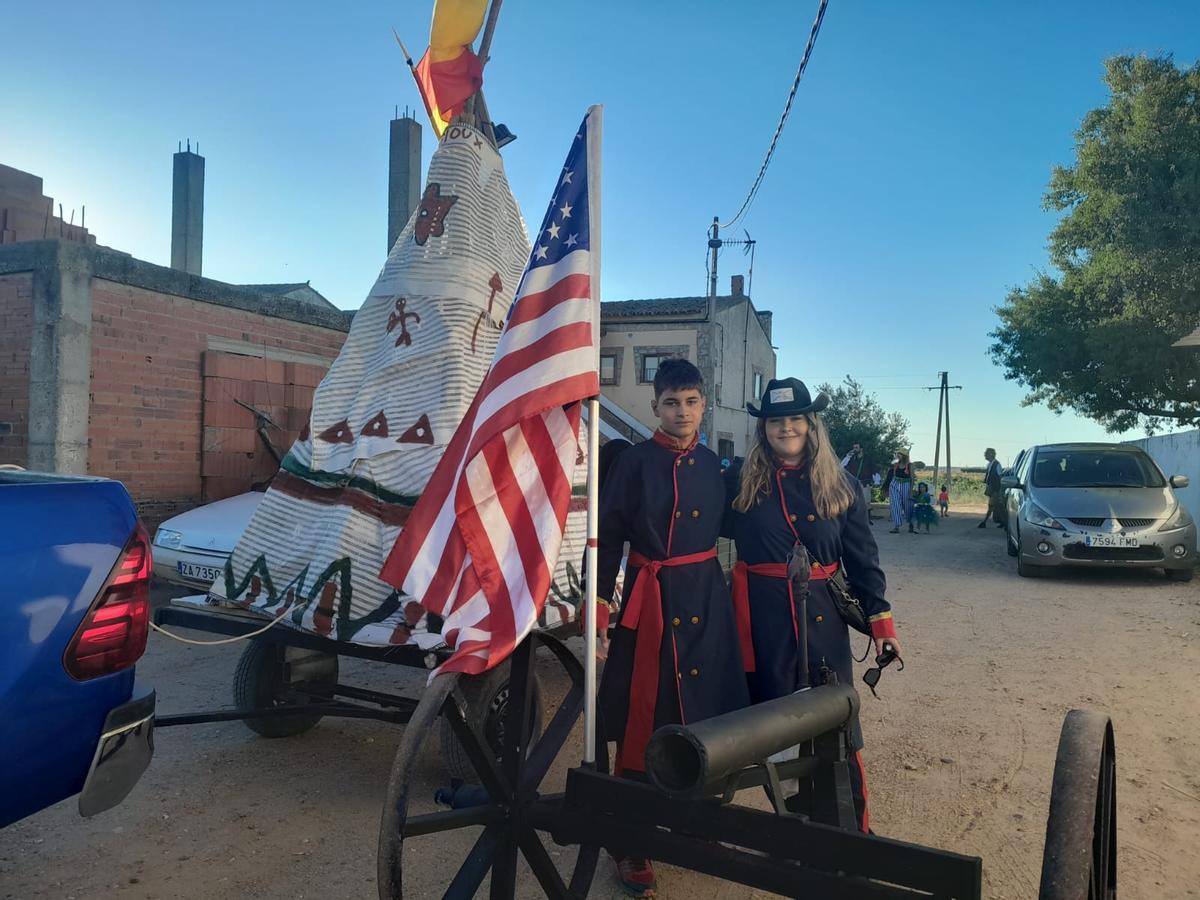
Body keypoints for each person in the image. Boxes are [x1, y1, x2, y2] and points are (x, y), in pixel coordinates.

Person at [596, 358, 749, 897]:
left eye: (690, 402)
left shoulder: (715, 467)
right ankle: (630, 839)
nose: (681, 412)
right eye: (670, 403)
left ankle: (691, 817)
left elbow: (746, 525)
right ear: (654, 406)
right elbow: (608, 536)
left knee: (700, 711)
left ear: (703, 404)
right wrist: (598, 605)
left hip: (705, 600)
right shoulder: (634, 463)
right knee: (645, 713)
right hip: (652, 602)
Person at [723, 377, 901, 833]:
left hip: (823, 624)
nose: (786, 428)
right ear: (763, 428)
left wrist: (882, 626)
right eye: (775, 421)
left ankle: (854, 835)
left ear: (811, 423)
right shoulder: (740, 482)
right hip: (763, 624)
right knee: (775, 731)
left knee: (836, 729)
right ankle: (797, 833)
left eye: (795, 419)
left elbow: (864, 562)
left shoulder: (843, 486)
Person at [881, 449, 916, 534]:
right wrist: (886, 489)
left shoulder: (910, 465)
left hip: (906, 485)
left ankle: (911, 523)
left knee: (908, 506)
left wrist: (911, 491)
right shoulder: (896, 465)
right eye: (898, 454)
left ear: (904, 456)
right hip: (895, 484)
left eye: (900, 454)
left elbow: (912, 479)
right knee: (895, 505)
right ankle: (896, 526)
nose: (898, 455)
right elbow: (892, 476)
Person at [979, 448, 1006, 529]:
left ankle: (984, 522)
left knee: (992, 506)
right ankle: (1004, 523)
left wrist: (999, 491)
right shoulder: (990, 464)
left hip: (995, 490)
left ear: (990, 455)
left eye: (986, 454)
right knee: (997, 507)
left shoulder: (997, 465)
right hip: (992, 489)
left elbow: (1000, 478)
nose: (984, 455)